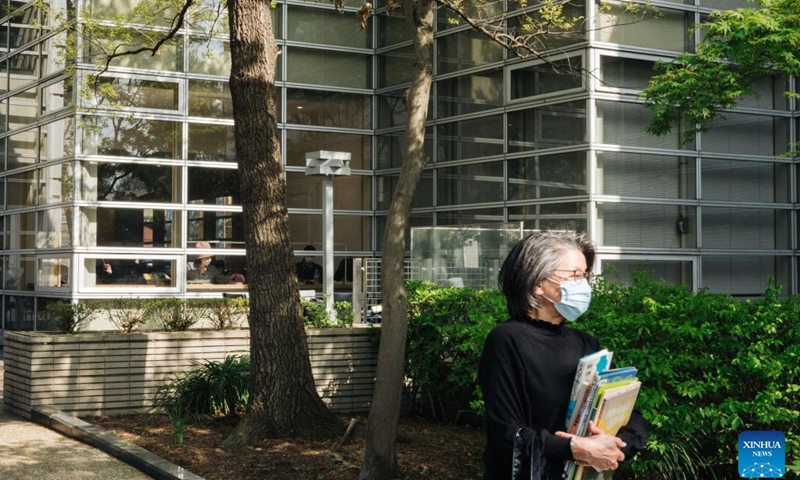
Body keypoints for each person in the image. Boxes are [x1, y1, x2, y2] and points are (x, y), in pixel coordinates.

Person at [479, 231, 648, 480]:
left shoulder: (586, 343)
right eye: (574, 275)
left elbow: (629, 414)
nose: (583, 285)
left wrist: (617, 444)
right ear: (537, 284)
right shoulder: (506, 340)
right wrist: (576, 448)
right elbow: (507, 434)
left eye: (585, 275)